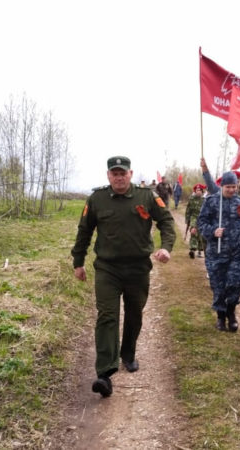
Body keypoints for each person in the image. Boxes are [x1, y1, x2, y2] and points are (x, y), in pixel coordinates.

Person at [71, 156, 175, 398]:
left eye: (123, 173)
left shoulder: (146, 196)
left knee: (134, 313)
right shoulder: (97, 199)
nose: (119, 177)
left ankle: (128, 353)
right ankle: (105, 374)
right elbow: (84, 231)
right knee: (107, 315)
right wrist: (78, 262)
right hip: (107, 268)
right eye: (114, 173)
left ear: (130, 174)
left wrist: (166, 247)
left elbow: (167, 222)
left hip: (138, 268)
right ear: (108, 175)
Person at [197, 171, 240, 332]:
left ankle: (231, 312)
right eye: (228, 187)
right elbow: (201, 222)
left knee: (238, 283)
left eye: (234, 186)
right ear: (222, 186)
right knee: (219, 285)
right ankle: (221, 315)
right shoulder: (212, 201)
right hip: (216, 251)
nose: (232, 190)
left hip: (237, 252)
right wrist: (212, 231)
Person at [185, 183, 207, 259]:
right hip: (193, 217)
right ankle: (192, 249)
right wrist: (187, 219)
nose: (198, 192)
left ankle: (200, 250)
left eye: (200, 190)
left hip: (203, 218)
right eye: (197, 190)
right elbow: (188, 210)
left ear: (202, 191)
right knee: (193, 231)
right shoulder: (191, 199)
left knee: (201, 235)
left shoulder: (205, 200)